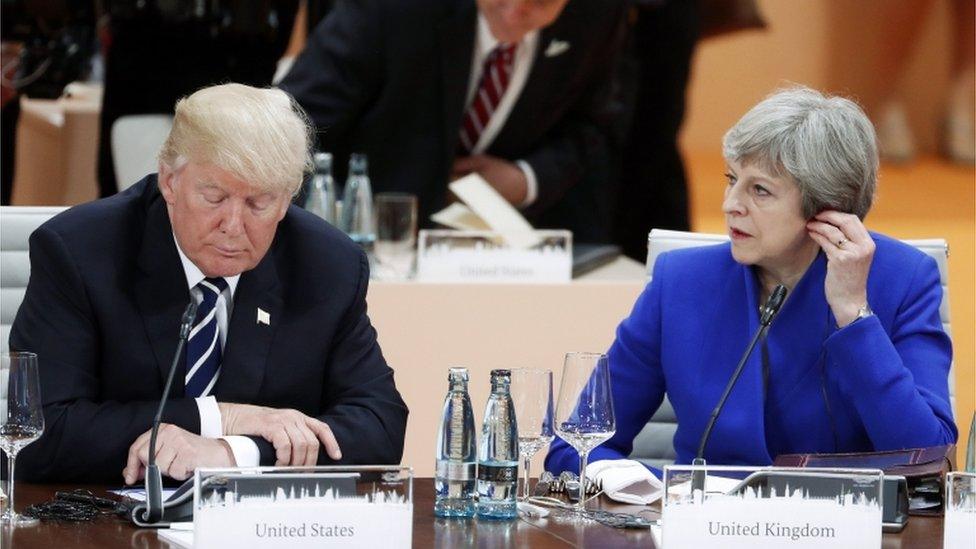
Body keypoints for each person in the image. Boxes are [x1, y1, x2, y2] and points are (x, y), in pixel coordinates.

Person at [546, 86, 957, 480]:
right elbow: (575, 445)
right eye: (732, 179)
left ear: (827, 208)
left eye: (759, 190)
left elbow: (924, 458)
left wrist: (854, 315)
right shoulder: (681, 283)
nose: (730, 205)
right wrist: (647, 484)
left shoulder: (902, 280)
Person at [10, 83, 409, 484]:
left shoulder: (327, 265)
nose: (233, 226)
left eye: (259, 203)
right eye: (214, 197)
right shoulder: (80, 251)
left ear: (287, 200)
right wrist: (222, 416)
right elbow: (38, 435)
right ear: (169, 181)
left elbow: (380, 425)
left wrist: (235, 451)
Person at [279, 0, 627, 243]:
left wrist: (526, 179)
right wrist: (335, 227)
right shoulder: (393, 8)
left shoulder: (597, 14)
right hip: (372, 240)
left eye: (541, 1)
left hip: (511, 251)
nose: (516, 10)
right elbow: (289, 123)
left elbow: (592, 124)